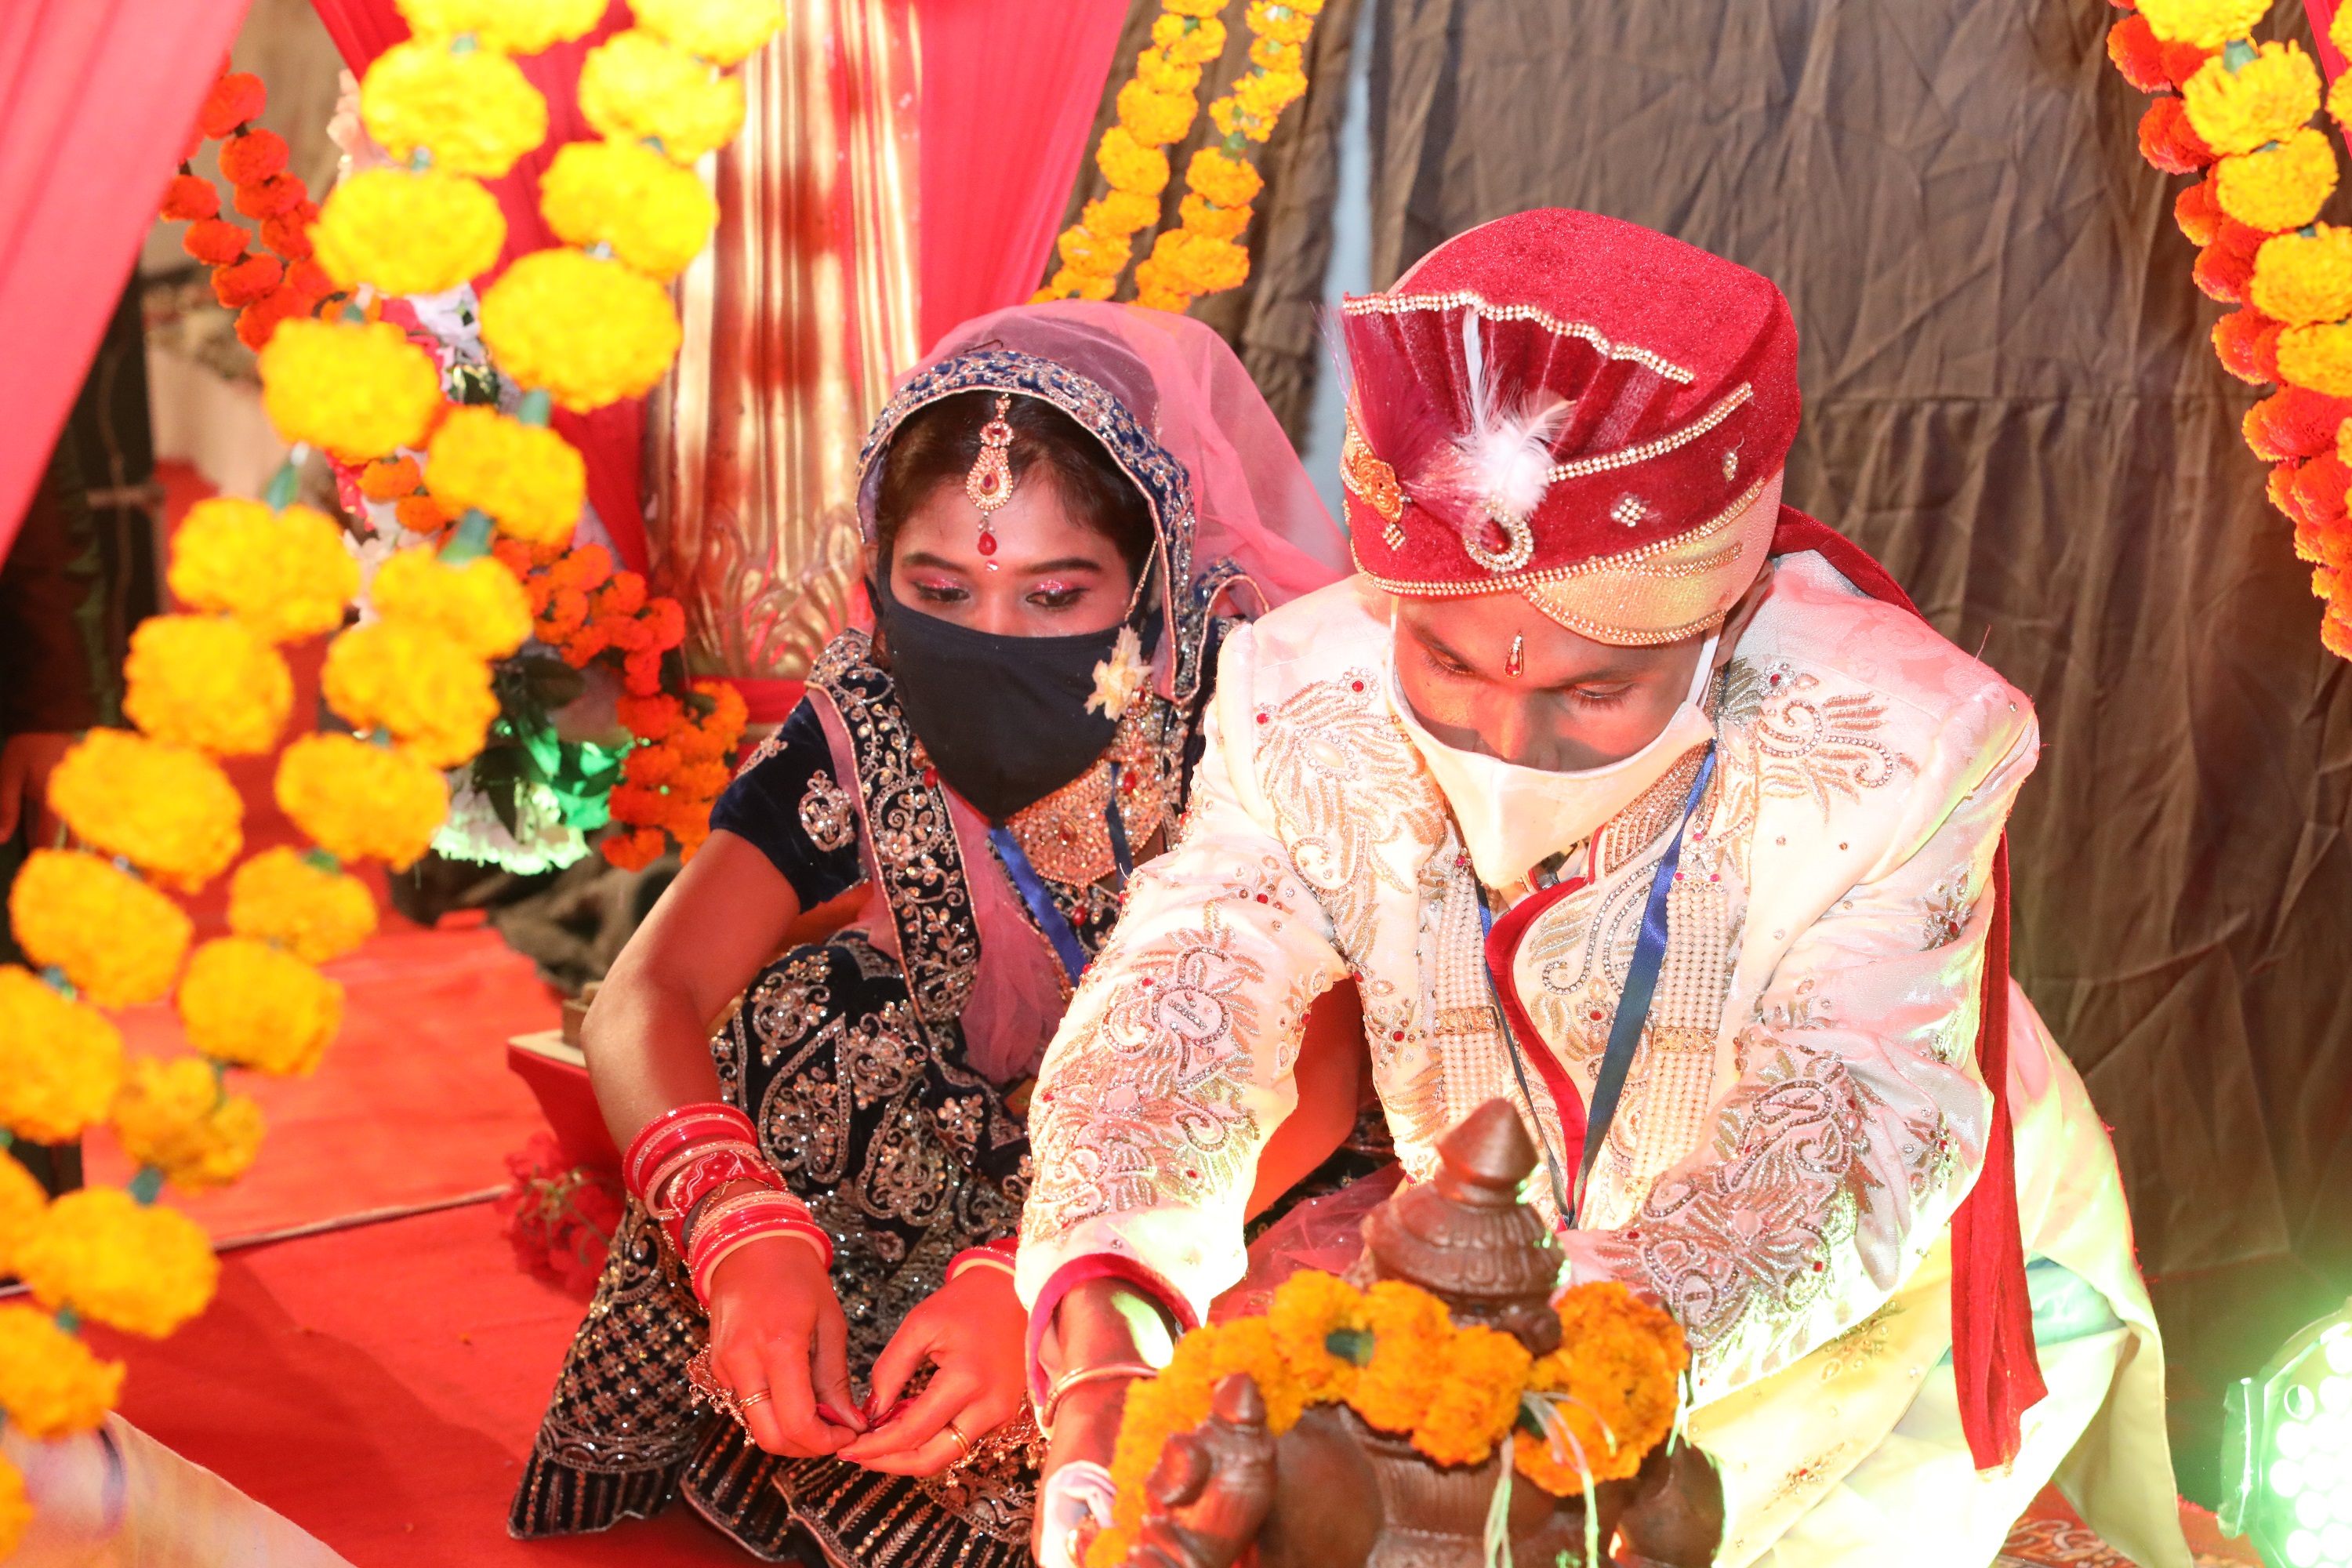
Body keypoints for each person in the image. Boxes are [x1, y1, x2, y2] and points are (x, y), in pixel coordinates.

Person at [1018, 211, 2188, 1568]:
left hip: (1854, 1304)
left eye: (1597, 688)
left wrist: (1575, 1374)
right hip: (1485, 1269)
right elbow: (1191, 991)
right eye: (1450, 666)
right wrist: (1107, 1323)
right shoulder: (1302, 695)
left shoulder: (1904, 738)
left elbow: (1846, 1121)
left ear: (1727, 613)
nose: (1511, 744)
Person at [510, 302, 1378, 1566]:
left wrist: (1039, 1281)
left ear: (1150, 579)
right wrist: (736, 1228)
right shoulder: (871, 710)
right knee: (796, 1024)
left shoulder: (1250, 718)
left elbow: (1318, 1080)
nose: (989, 641)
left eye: (1055, 593)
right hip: (991, 1141)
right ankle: (827, 1412)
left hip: (1221, 1172)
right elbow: (650, 993)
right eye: (941, 589)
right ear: (881, 580)